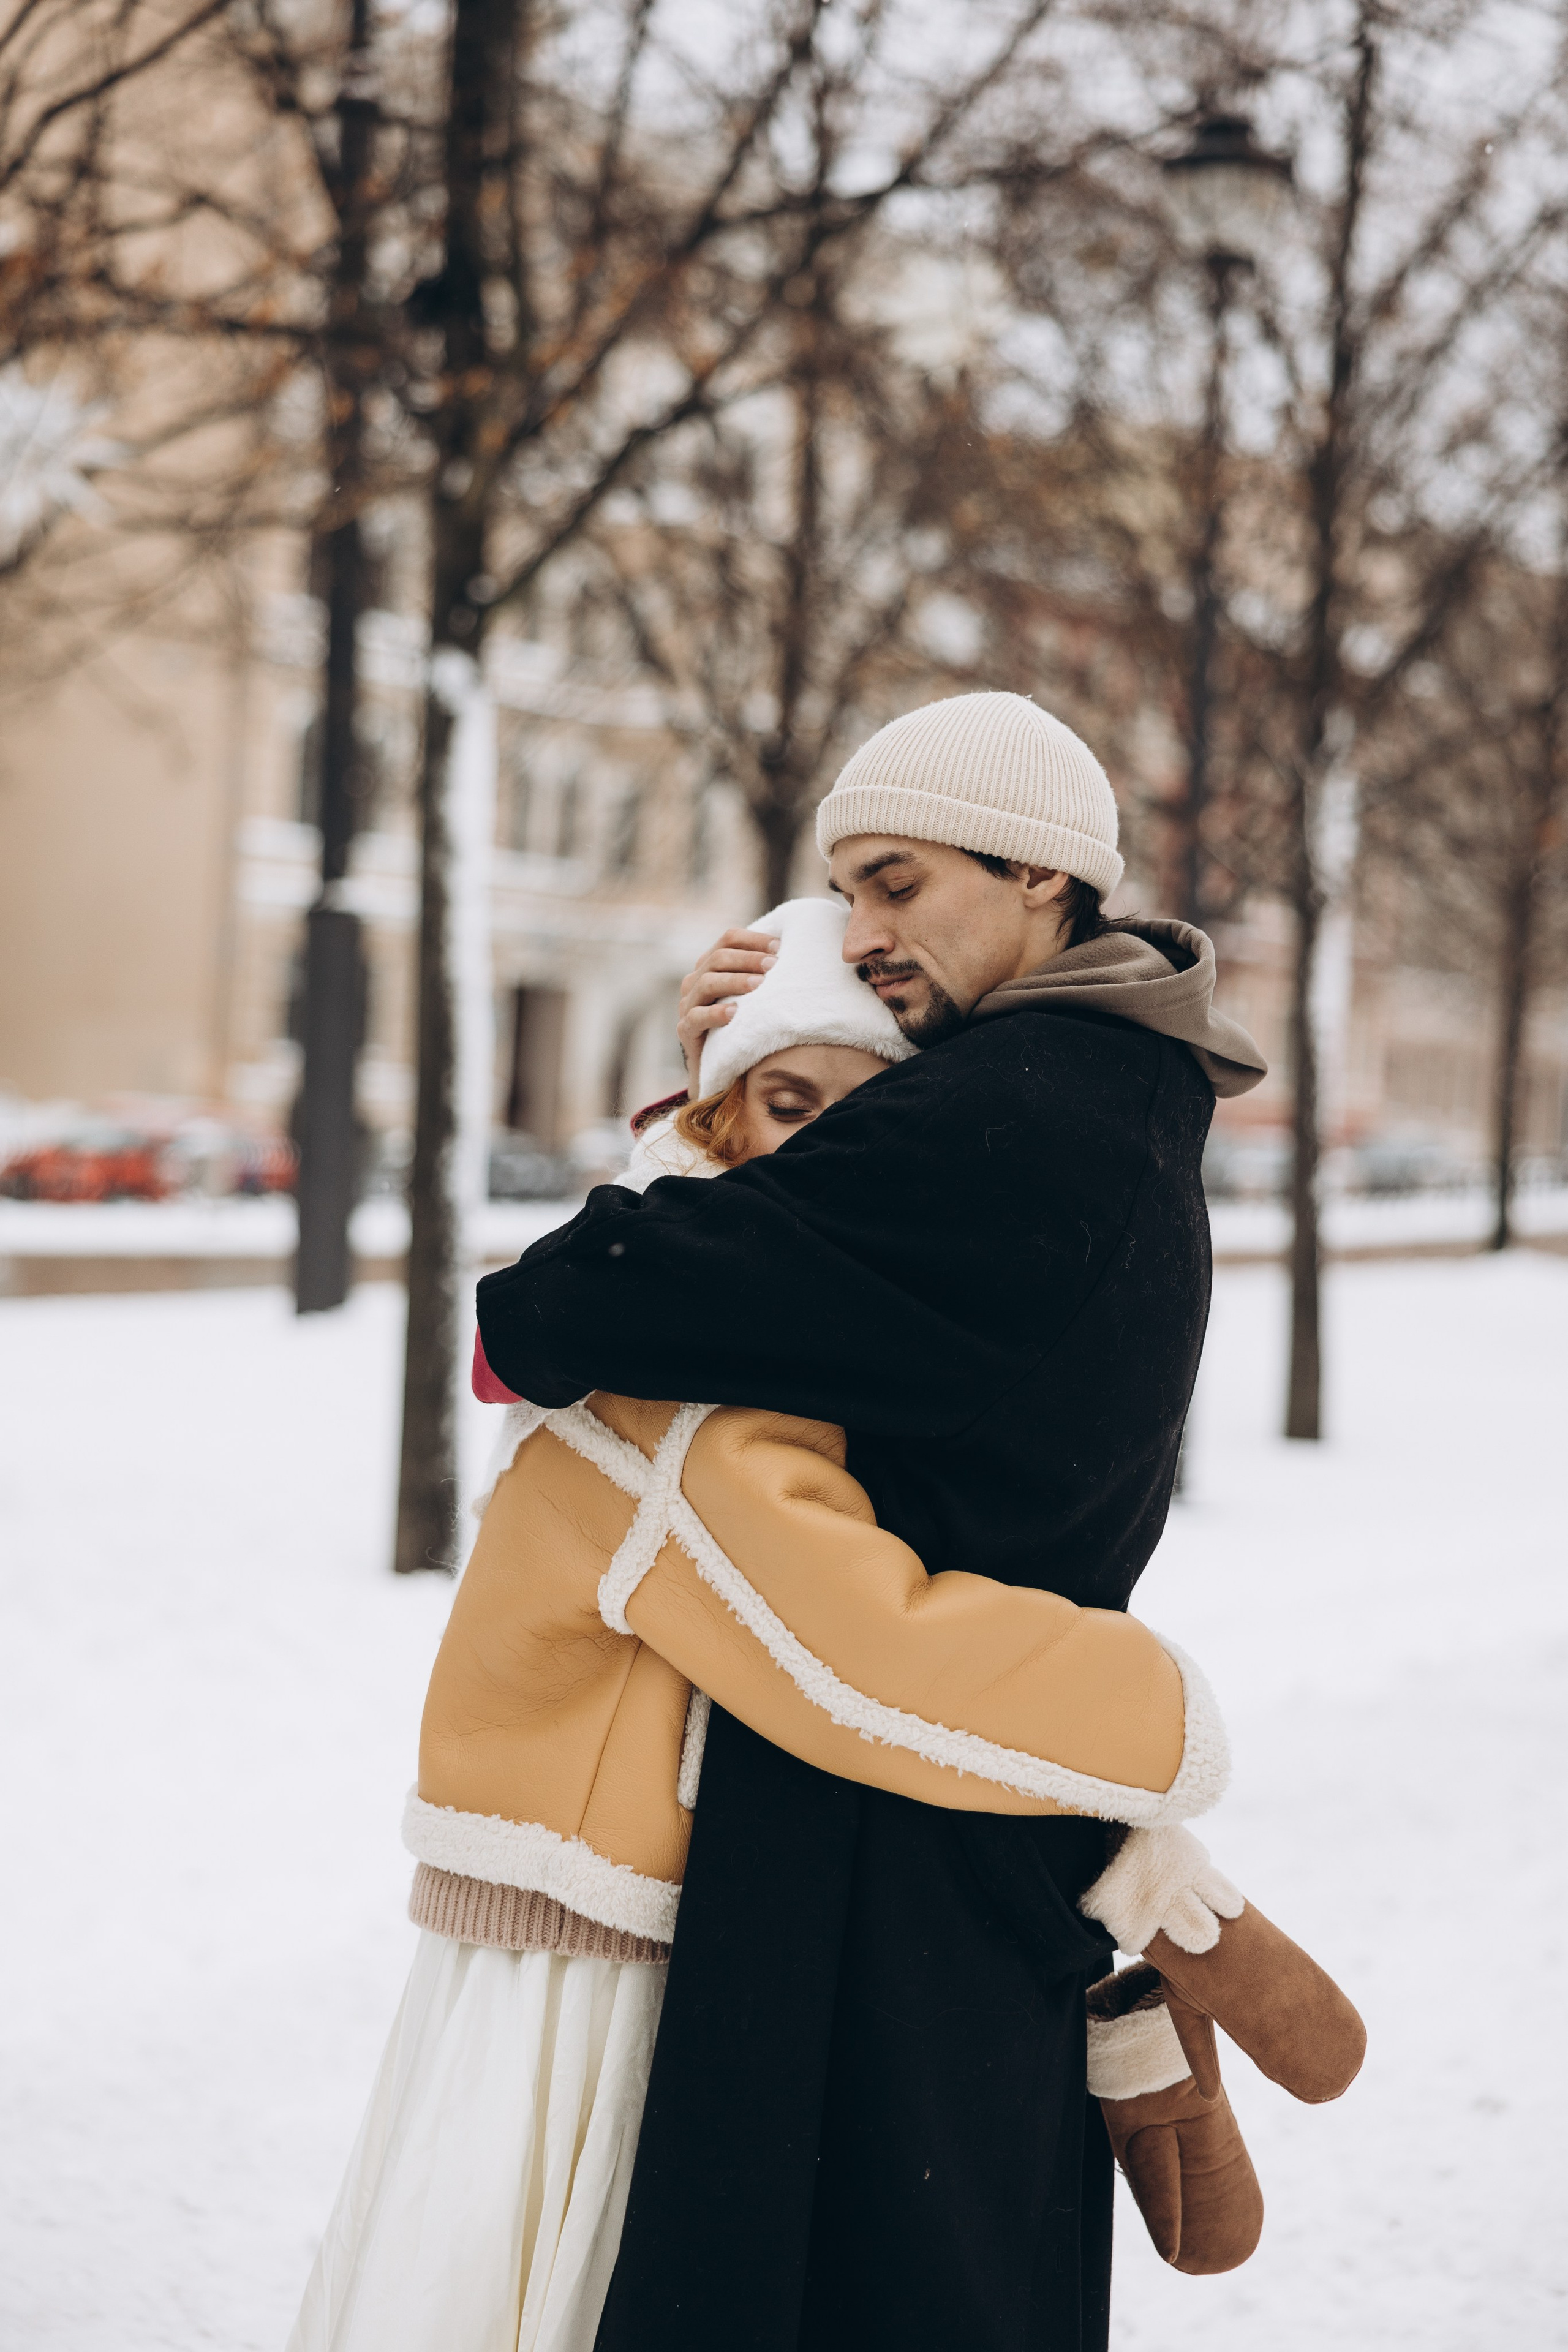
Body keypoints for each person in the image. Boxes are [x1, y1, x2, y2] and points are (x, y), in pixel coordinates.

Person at [285, 886, 1275, 2352]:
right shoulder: (695, 1404)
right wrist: (1156, 1738)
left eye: (862, 1123)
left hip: (571, 1902)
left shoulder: (703, 1315)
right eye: (786, 1101)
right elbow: (863, 1651)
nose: (830, 1156)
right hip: (591, 1945)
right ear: (724, 1113)